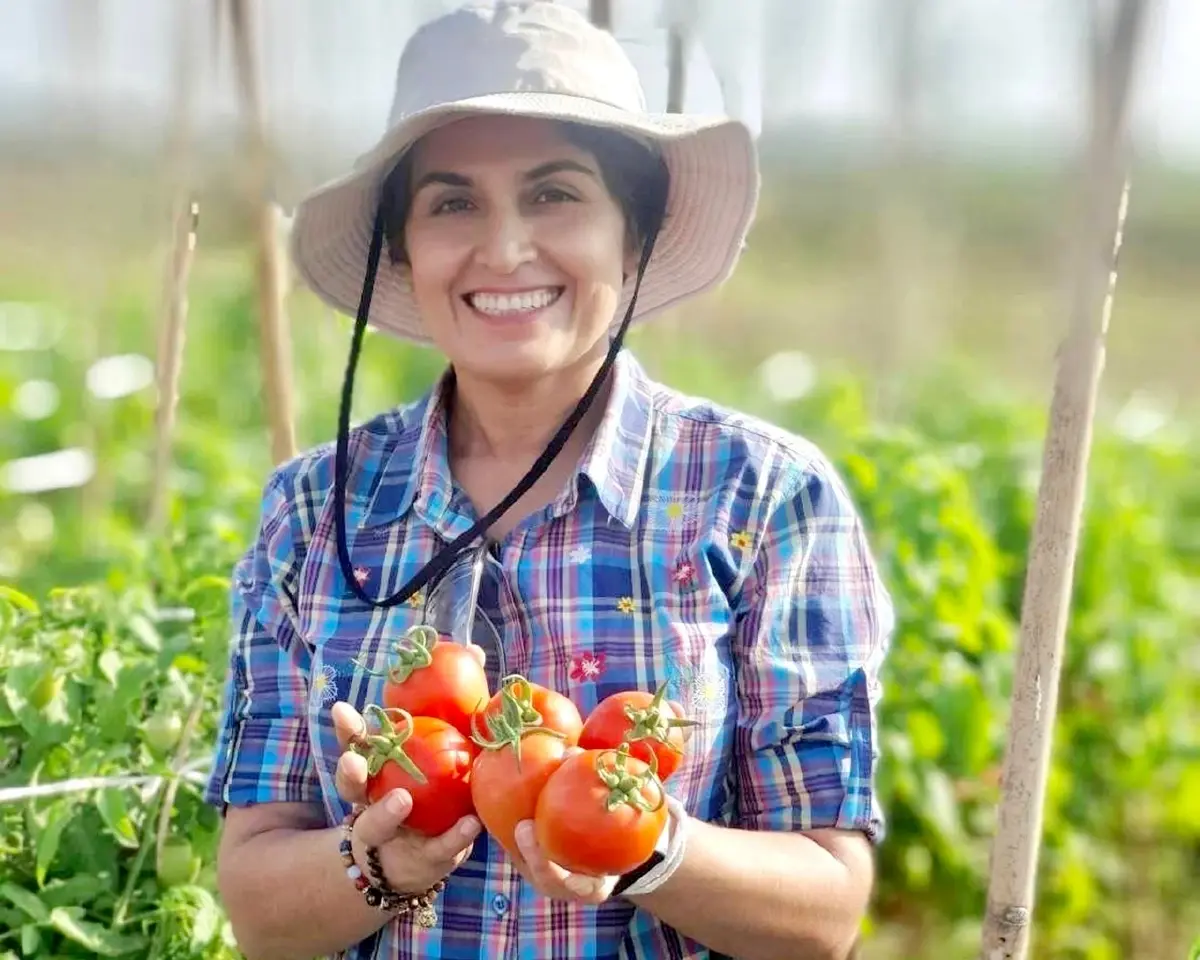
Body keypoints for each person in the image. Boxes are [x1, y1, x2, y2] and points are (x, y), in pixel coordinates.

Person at [205, 3, 894, 959]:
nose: (506, 248)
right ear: (401, 251)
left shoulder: (762, 498)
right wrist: (379, 866)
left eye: (556, 194)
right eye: (452, 203)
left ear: (635, 236)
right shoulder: (315, 511)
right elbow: (258, 908)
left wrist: (642, 842)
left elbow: (825, 911)